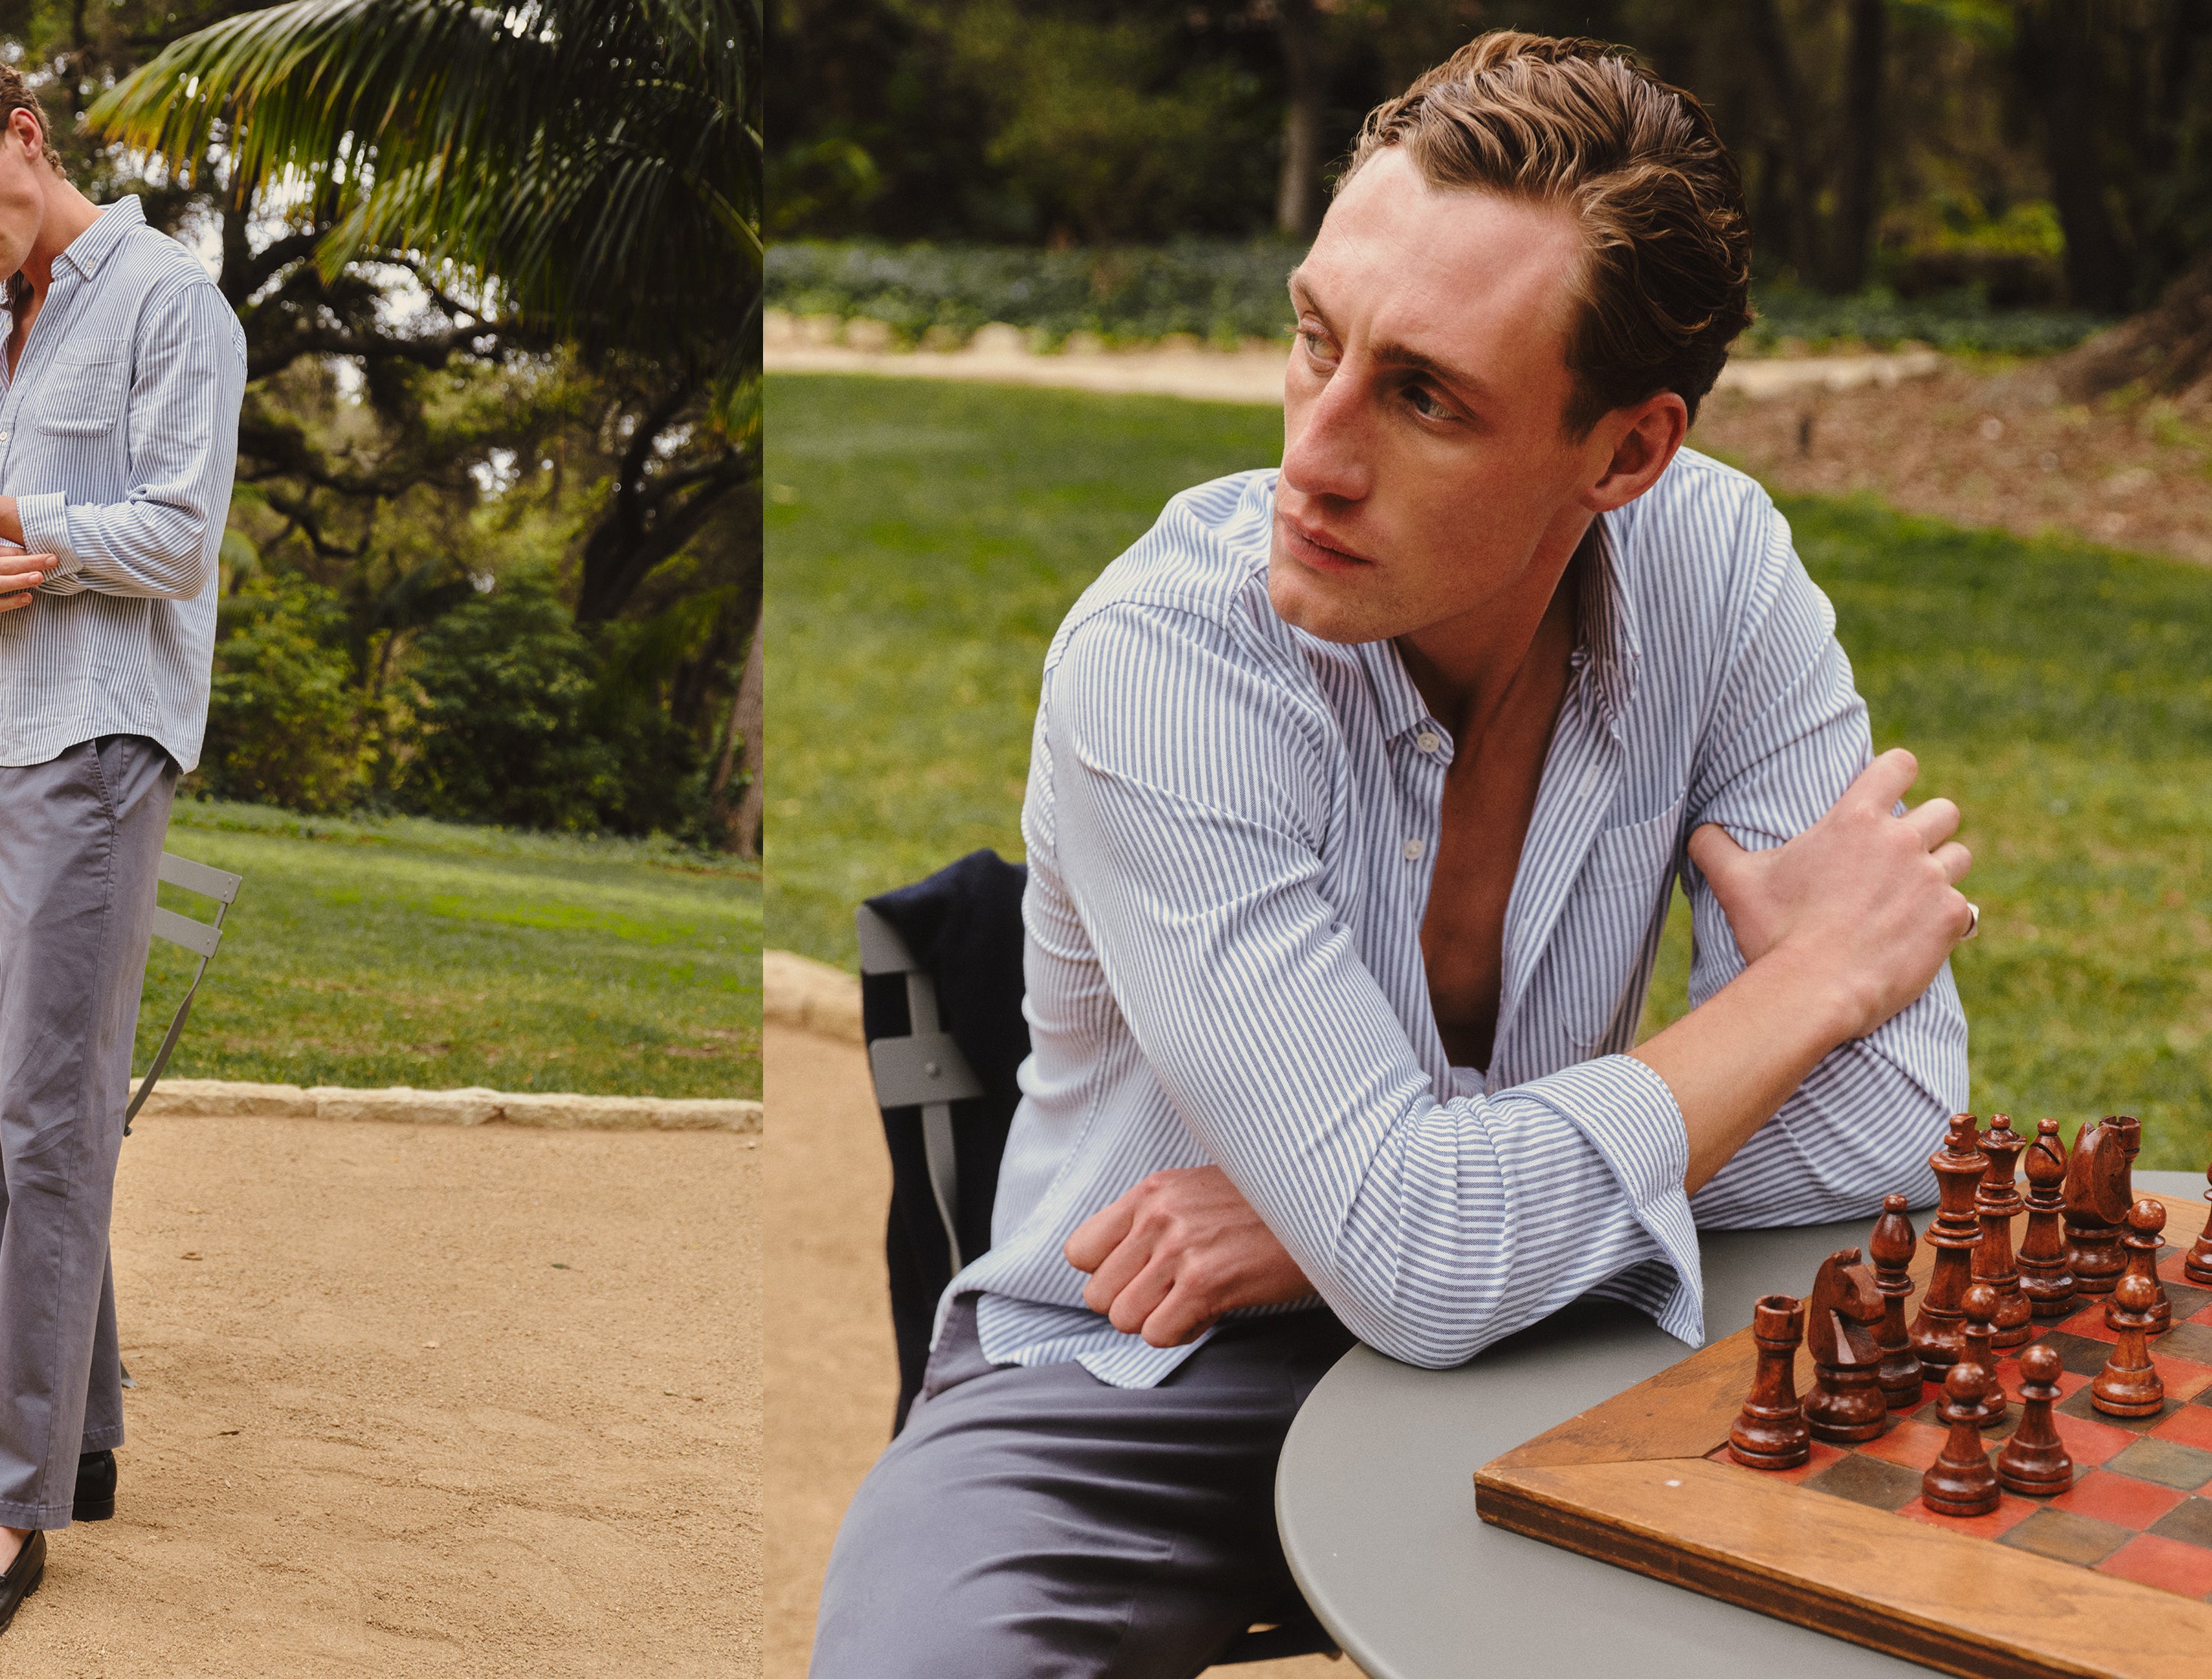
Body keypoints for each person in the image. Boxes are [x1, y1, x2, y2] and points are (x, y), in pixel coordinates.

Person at [811, 31, 1973, 1679]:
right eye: (1314, 340)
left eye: (1424, 394)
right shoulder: (1161, 662)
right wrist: (1811, 991)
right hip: (1140, 1366)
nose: (1315, 453)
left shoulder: (1721, 569)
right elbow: (1435, 1251)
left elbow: (1882, 1133)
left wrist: (1343, 1213)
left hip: (1580, 1338)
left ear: (1626, 455)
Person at [0, 48, 243, 1656]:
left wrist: (0, 518)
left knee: (59, 1125)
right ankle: (71, 1434)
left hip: (91, 750)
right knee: (0, 1116)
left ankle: (15, 1514)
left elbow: (177, 534)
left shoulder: (170, 301)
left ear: (29, 137)